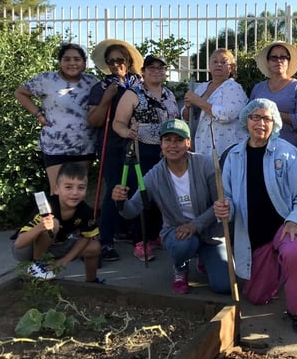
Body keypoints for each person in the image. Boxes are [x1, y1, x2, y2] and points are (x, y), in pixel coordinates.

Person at [213, 98, 297, 335]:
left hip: (284, 227)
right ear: (246, 120)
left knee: (293, 252)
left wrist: (295, 220)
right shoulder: (234, 156)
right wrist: (223, 208)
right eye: (255, 117)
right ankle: (280, 271)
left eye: (266, 118)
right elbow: (226, 195)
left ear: (275, 123)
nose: (260, 123)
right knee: (257, 298)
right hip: (254, 235)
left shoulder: (287, 153)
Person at [111, 119, 231, 295]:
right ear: (161, 144)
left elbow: (219, 204)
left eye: (179, 140)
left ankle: (204, 258)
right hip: (178, 234)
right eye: (168, 140)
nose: (173, 145)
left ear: (188, 143)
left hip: (210, 232)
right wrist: (120, 201)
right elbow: (131, 211)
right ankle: (180, 269)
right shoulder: (153, 176)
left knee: (224, 286)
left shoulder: (205, 164)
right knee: (184, 244)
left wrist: (195, 225)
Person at [112, 54, 179, 262]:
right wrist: (125, 133)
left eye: (161, 67)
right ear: (143, 71)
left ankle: (155, 235)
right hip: (141, 151)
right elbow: (118, 122)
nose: (157, 71)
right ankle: (140, 241)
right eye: (151, 67)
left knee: (162, 196)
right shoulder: (133, 94)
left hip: (165, 152)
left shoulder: (169, 94)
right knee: (141, 197)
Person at [14, 43, 99, 195]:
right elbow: (20, 93)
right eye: (67, 59)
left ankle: (74, 220)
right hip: (55, 146)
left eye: (77, 59)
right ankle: (56, 220)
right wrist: (38, 114)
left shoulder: (92, 82)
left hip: (84, 146)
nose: (72, 63)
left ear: (84, 63)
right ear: (60, 62)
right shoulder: (47, 79)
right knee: (58, 192)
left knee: (76, 193)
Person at [88, 39, 143, 262]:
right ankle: (106, 241)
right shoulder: (101, 87)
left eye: (120, 60)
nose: (116, 65)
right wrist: (106, 99)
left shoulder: (140, 83)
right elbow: (94, 120)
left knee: (135, 188)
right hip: (111, 144)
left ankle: (129, 231)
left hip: (137, 141)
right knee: (114, 189)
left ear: (128, 62)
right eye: (111, 61)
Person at [10, 162, 102, 283]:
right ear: (57, 189)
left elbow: (86, 237)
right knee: (53, 223)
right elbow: (19, 244)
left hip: (55, 246)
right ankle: (38, 266)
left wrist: (64, 261)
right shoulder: (47, 207)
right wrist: (40, 227)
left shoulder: (85, 210)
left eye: (81, 187)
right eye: (68, 187)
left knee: (94, 247)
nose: (75, 192)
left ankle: (92, 283)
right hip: (28, 248)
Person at [182, 48, 248, 156]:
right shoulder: (202, 87)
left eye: (223, 62)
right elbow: (186, 117)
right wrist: (187, 107)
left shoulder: (234, 88)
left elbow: (227, 115)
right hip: (200, 146)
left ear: (231, 68)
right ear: (209, 66)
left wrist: (198, 101)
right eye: (215, 61)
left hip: (225, 148)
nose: (219, 65)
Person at [250, 41, 297, 148]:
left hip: (288, 147)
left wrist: (272, 113)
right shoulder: (258, 88)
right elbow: (248, 115)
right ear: (267, 62)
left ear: (288, 61)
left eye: (283, 57)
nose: (279, 61)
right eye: (274, 58)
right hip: (259, 146)